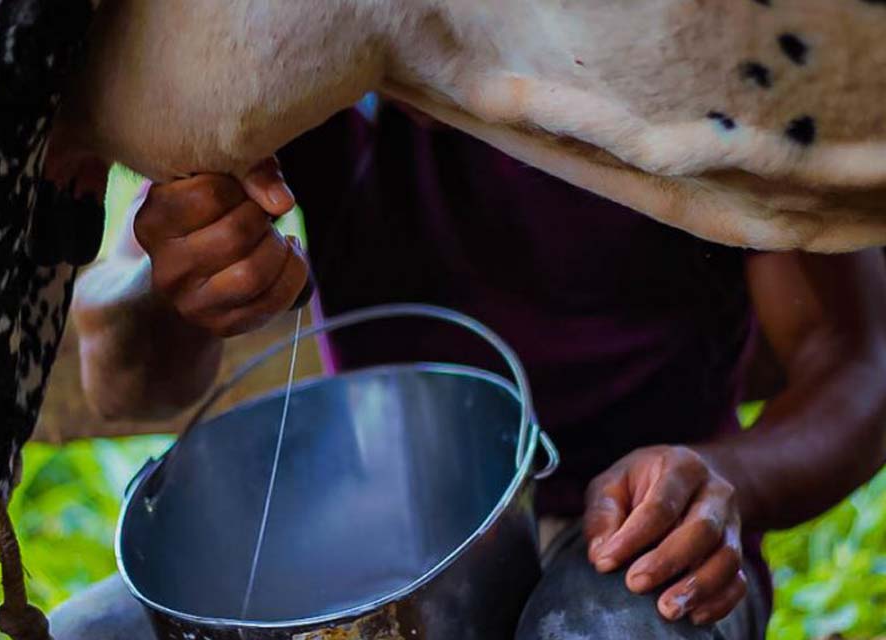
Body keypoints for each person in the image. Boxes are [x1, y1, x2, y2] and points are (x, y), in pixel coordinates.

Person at [53, 100, 886, 640]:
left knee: (601, 630)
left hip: (632, 535)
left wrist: (726, 478)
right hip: (384, 530)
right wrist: (173, 283)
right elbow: (123, 379)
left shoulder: (691, 62)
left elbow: (858, 358)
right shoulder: (298, 55)